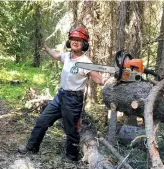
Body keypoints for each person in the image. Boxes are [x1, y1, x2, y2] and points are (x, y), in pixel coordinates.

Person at [18, 26, 104, 161]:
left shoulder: (86, 62)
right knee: (42, 120)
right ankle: (32, 147)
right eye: (73, 39)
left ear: (84, 43)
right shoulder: (67, 56)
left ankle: (71, 156)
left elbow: (99, 79)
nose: (75, 42)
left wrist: (111, 80)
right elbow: (57, 55)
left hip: (73, 100)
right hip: (60, 96)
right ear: (69, 42)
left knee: (71, 130)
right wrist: (47, 49)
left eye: (79, 40)